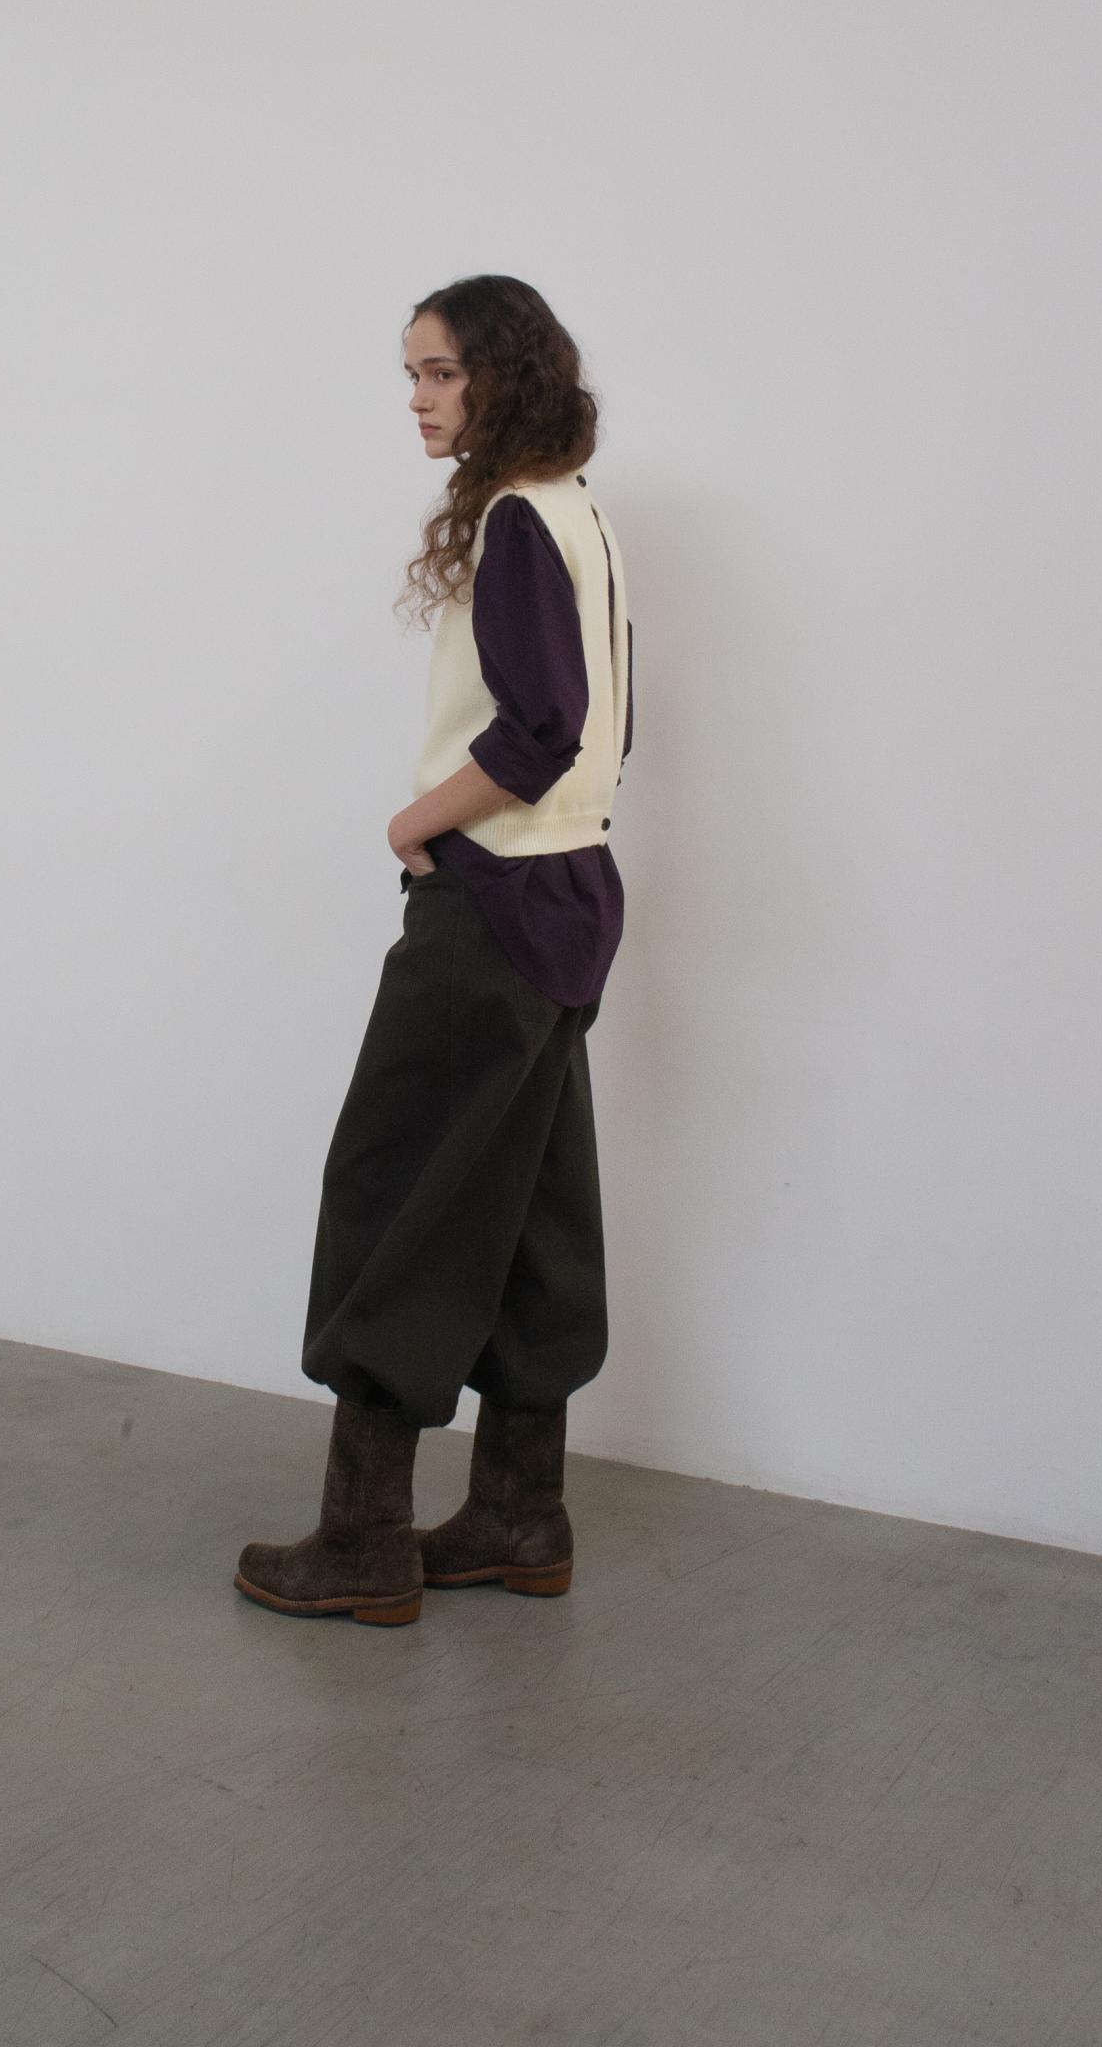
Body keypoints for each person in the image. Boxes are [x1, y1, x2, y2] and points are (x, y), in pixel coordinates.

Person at [235, 274, 634, 1626]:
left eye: (440, 372)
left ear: (502, 375)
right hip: (574, 890)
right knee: (531, 1212)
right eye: (412, 373)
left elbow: (543, 731)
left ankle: (364, 1540)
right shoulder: (577, 511)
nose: (417, 397)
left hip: (494, 903)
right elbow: (607, 726)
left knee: (393, 1190)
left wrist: (415, 822)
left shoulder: (519, 519)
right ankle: (522, 1515)